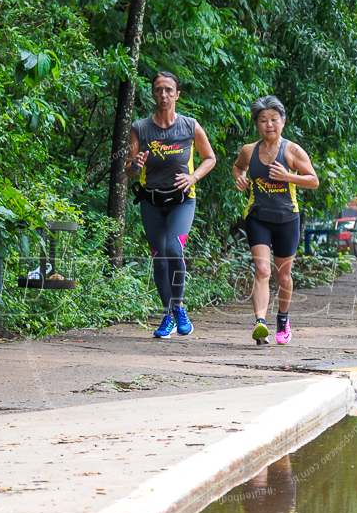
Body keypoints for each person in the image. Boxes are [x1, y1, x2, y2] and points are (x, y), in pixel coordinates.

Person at [126, 71, 216, 338]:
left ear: (177, 95)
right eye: (158, 90)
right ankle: (167, 314)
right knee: (159, 259)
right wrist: (134, 165)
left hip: (182, 201)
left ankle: (178, 307)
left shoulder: (189, 126)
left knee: (172, 250)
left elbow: (209, 158)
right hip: (152, 201)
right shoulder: (140, 128)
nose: (163, 95)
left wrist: (193, 177)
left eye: (168, 90)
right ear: (152, 94)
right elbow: (128, 170)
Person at [233, 96, 318, 345]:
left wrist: (288, 176)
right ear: (257, 125)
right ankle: (260, 323)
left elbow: (313, 180)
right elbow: (238, 167)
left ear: (282, 121)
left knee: (283, 276)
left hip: (286, 219)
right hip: (258, 217)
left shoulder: (292, 151)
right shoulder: (249, 151)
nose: (269, 124)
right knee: (262, 270)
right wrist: (240, 178)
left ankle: (283, 319)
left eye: (273, 119)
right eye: (263, 120)